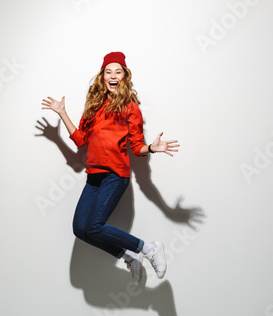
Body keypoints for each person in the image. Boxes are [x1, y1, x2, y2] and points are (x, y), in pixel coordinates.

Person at [41, 51, 179, 285]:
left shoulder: (130, 107)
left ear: (124, 76)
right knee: (80, 229)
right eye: (108, 72)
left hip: (115, 176)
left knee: (93, 226)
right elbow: (81, 140)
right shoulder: (94, 105)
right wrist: (62, 113)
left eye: (118, 72)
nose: (113, 76)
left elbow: (136, 147)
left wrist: (151, 148)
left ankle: (148, 248)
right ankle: (128, 255)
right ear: (102, 76)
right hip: (93, 177)